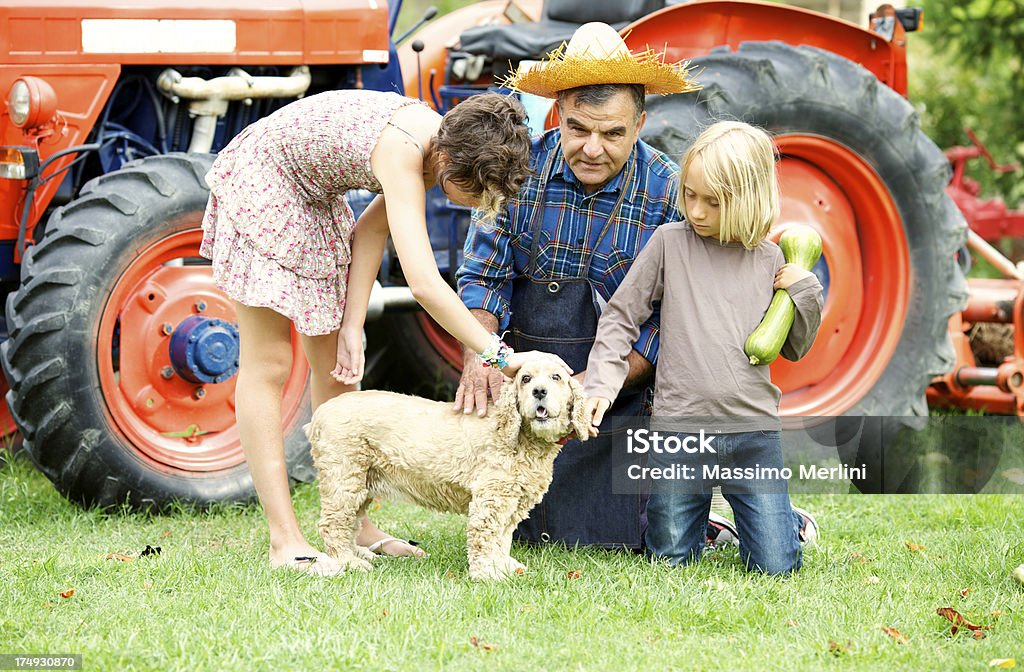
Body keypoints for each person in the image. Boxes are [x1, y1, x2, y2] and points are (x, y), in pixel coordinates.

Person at [200, 89, 569, 575]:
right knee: (270, 364)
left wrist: (352, 324)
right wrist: (498, 355)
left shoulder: (445, 140)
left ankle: (357, 526)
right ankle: (284, 540)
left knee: (338, 369)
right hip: (266, 184)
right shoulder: (404, 152)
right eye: (476, 195)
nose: (476, 206)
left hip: (314, 198)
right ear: (449, 162)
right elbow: (422, 283)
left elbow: (370, 231)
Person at [455, 22, 739, 549]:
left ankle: (733, 518)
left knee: (628, 536)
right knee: (525, 530)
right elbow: (481, 278)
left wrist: (589, 390)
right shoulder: (516, 174)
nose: (592, 148)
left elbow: (672, 325)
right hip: (528, 393)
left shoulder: (670, 192)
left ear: (640, 124)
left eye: (612, 134)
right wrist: (481, 356)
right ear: (557, 114)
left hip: (617, 398)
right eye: (579, 129)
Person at [583, 121, 823, 574]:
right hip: (678, 429)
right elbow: (621, 314)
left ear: (749, 199)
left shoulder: (774, 260)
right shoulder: (670, 244)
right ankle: (709, 523)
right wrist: (602, 380)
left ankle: (786, 522)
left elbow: (793, 347)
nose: (695, 210)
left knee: (775, 566)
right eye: (689, 194)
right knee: (669, 559)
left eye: (712, 202)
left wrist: (804, 291)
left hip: (752, 431)